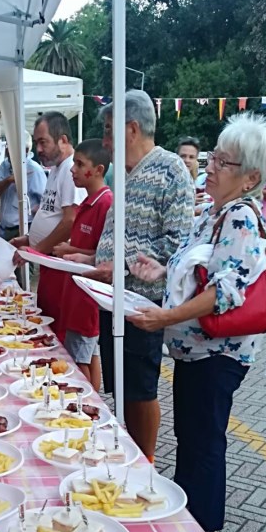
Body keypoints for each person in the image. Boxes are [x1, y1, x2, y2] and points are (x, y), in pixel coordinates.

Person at [128, 113, 266, 532]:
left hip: (217, 353)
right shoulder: (214, 212)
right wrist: (160, 271)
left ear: (251, 177)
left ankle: (203, 530)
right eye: (213, 157)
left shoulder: (240, 217)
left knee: (204, 440)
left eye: (223, 162)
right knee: (192, 434)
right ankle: (190, 515)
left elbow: (225, 293)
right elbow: (197, 272)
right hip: (196, 351)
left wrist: (164, 317)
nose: (211, 167)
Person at [83, 90, 194, 461]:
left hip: (142, 302)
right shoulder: (125, 174)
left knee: (140, 388)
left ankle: (145, 461)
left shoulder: (170, 171)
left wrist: (122, 265)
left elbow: (177, 242)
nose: (105, 141)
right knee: (121, 384)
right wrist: (91, 258)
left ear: (131, 129)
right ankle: (127, 451)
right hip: (111, 298)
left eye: (109, 130)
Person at [11, 112, 85, 320]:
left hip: (60, 265)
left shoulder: (71, 170)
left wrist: (35, 250)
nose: (38, 149)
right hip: (49, 262)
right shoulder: (56, 169)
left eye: (43, 142)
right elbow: (52, 214)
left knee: (55, 325)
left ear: (63, 140)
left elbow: (70, 221)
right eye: (37, 143)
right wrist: (29, 239)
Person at [52, 140, 112, 392]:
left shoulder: (105, 204)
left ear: (98, 170)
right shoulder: (89, 203)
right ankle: (91, 399)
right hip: (77, 293)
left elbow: (104, 256)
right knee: (87, 354)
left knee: (79, 360)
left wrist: (70, 251)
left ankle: (85, 402)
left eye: (80, 164)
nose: (72, 169)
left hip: (87, 296)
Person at [0, 133, 46, 241]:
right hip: (4, 229)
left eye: (12, 148)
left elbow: (45, 203)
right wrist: (8, 180)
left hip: (24, 229)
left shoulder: (34, 170)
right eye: (7, 147)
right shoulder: (5, 165)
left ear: (26, 150)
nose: (8, 151)